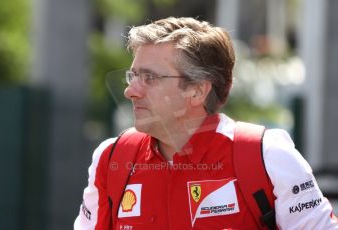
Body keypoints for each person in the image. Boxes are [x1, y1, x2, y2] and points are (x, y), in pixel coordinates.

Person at [74, 17, 338, 229]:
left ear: (198, 91)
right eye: (133, 76)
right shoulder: (111, 158)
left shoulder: (267, 155)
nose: (130, 91)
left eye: (149, 77)